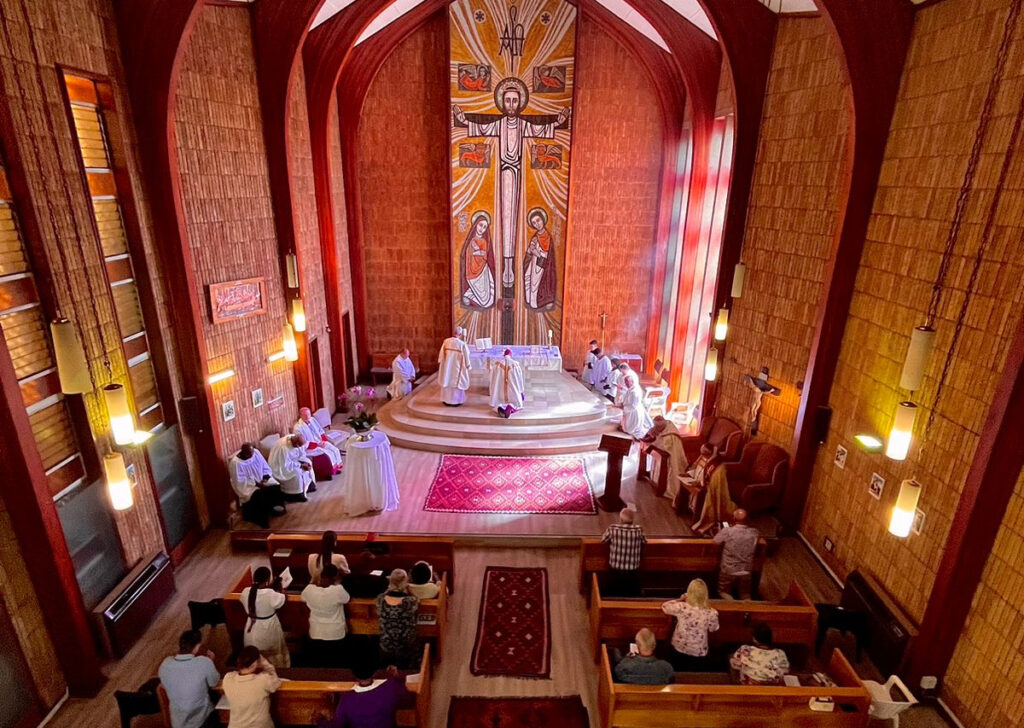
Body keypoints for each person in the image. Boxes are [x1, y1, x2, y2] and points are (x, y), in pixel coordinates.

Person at [315, 655, 410, 728]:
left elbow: (337, 724)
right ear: (374, 672)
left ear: (354, 675)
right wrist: (396, 677)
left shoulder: (347, 699)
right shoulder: (390, 687)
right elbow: (406, 696)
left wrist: (320, 720)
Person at [158, 629, 221, 728]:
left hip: (178, 722)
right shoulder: (204, 662)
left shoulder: (165, 664)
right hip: (202, 720)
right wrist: (211, 662)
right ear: (197, 647)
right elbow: (214, 683)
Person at [661, 578, 719, 671]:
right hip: (698, 650)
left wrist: (680, 599)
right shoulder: (711, 613)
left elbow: (665, 606)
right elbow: (713, 628)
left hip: (679, 647)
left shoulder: (682, 607)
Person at [301, 564, 351, 667]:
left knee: (320, 662)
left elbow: (303, 597)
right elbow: (347, 599)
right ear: (335, 578)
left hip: (316, 630)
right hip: (335, 631)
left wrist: (316, 582)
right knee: (336, 662)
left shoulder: (309, 589)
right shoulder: (337, 590)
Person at [221, 646, 281, 728]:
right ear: (255, 663)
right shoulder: (263, 680)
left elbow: (234, 674)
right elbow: (276, 682)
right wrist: (265, 664)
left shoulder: (228, 679)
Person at [240, 566, 289, 668]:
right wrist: (282, 591)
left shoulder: (246, 592)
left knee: (255, 653)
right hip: (268, 628)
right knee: (273, 654)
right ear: (267, 580)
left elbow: (257, 596)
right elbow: (283, 599)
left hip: (251, 628)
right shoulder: (270, 594)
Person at [229, 443, 285, 529]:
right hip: (248, 487)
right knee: (259, 495)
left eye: (252, 452)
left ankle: (272, 508)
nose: (252, 455)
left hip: (261, 479)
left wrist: (265, 478)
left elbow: (264, 466)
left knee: (275, 486)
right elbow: (239, 481)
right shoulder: (236, 463)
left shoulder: (256, 453)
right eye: (249, 454)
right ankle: (261, 520)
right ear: (243, 453)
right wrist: (257, 484)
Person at [376, 569, 421, 669]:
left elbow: (380, 607)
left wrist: (388, 590)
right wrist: (409, 590)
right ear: (405, 582)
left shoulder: (381, 599)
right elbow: (417, 600)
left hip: (387, 641)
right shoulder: (410, 601)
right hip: (406, 642)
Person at [713, 509, 759, 599]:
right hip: (746, 570)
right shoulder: (754, 532)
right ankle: (747, 608)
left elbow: (715, 541)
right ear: (748, 519)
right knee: (745, 593)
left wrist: (721, 531)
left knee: (723, 591)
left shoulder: (727, 531)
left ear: (733, 518)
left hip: (729, 569)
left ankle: (733, 606)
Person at [601, 507, 646, 597]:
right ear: (633, 520)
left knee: (611, 593)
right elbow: (644, 542)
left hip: (615, 570)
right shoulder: (638, 530)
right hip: (633, 571)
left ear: (620, 519)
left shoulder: (613, 528)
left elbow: (603, 540)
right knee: (631, 594)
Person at [641, 416, 686, 501]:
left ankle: (665, 488)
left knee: (672, 472)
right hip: (662, 456)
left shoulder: (670, 434)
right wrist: (652, 434)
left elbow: (665, 446)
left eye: (657, 427)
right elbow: (652, 435)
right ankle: (655, 482)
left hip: (671, 458)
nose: (655, 428)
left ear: (662, 425)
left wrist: (654, 441)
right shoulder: (662, 427)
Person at [458, 211, 496, 309]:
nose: (482, 229)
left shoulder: (483, 241)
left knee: (487, 301)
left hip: (482, 270)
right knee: (484, 301)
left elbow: (484, 254)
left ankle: (468, 295)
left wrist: (476, 251)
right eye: (480, 225)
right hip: (471, 273)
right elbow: (465, 255)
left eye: (484, 227)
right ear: (475, 224)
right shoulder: (470, 241)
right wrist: (475, 251)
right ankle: (468, 295)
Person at [522, 207, 556, 310]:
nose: (537, 224)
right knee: (529, 278)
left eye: (538, 220)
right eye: (534, 223)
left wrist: (539, 254)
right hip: (534, 263)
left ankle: (542, 301)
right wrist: (531, 249)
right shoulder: (535, 237)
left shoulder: (549, 237)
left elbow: (549, 256)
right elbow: (530, 250)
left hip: (543, 264)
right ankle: (529, 300)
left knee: (537, 282)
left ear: (543, 219)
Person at [294, 407, 343, 476]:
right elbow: (304, 443)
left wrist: (323, 441)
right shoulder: (298, 428)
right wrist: (318, 445)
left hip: (320, 441)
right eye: (305, 415)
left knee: (335, 450)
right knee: (328, 454)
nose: (307, 416)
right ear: (300, 415)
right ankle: (328, 472)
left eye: (308, 414)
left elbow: (320, 430)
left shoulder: (312, 420)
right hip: (310, 447)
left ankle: (336, 468)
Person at [268, 433, 314, 501]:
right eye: (298, 445)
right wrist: (300, 465)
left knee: (308, 462)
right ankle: (298, 495)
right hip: (279, 467)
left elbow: (300, 453)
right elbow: (285, 464)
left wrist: (303, 462)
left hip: (292, 462)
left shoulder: (293, 439)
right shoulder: (283, 447)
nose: (298, 447)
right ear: (295, 442)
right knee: (297, 473)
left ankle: (308, 487)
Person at [437, 327, 472, 406]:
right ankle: (456, 401)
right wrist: (468, 366)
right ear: (460, 334)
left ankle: (446, 400)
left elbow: (441, 353)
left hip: (447, 367)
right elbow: (467, 355)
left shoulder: (446, 341)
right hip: (457, 367)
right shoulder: (462, 344)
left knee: (447, 380)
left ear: (453, 333)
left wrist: (441, 361)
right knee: (456, 383)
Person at [489, 348, 525, 418]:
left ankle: (500, 408)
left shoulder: (497, 365)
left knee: (498, 402)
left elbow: (492, 378)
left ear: (504, 355)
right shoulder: (515, 365)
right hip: (512, 392)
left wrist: (492, 389)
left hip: (500, 392)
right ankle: (510, 407)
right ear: (510, 355)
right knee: (516, 404)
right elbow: (520, 379)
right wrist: (521, 391)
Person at [619, 373, 653, 439]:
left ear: (632, 381)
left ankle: (643, 438)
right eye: (625, 382)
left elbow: (633, 406)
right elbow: (627, 394)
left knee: (632, 429)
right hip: (632, 410)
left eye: (628, 382)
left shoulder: (634, 392)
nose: (626, 384)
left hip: (634, 412)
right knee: (630, 427)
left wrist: (623, 407)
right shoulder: (633, 387)